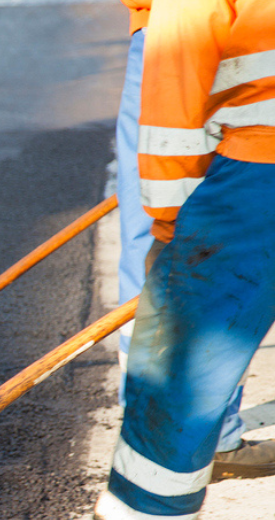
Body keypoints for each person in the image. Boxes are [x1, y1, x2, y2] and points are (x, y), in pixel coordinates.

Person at [96, 1, 275, 518]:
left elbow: (177, 87)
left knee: (190, 322)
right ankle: (215, 432)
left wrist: (171, 226)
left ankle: (161, 483)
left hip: (259, 159)